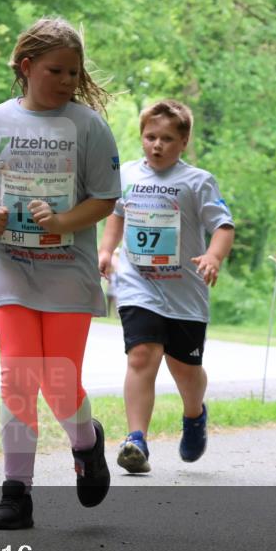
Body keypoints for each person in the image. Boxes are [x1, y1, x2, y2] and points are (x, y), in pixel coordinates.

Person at [0, 18, 122, 529]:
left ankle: (86, 442)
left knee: (59, 380)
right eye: (56, 70)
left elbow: (106, 198)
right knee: (18, 374)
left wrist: (63, 222)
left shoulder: (88, 127)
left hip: (68, 270)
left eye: (74, 72)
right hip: (10, 264)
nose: (67, 80)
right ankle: (16, 492)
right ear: (27, 67)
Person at [97, 100, 234, 473]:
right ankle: (136, 440)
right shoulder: (127, 175)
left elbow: (223, 226)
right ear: (141, 136)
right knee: (142, 355)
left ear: (184, 141)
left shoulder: (198, 181)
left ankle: (194, 414)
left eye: (168, 139)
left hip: (184, 293)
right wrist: (106, 250)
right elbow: (117, 214)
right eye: (150, 137)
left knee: (185, 370)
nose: (157, 145)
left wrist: (213, 257)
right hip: (137, 284)